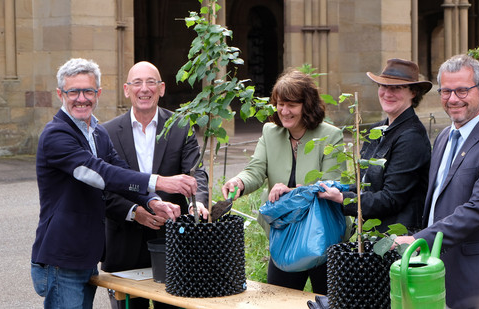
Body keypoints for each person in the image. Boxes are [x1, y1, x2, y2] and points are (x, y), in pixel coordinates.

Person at [30, 58, 200, 309]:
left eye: (88, 91)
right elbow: (100, 175)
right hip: (62, 258)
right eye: (73, 91)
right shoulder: (56, 134)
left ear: (98, 93)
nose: (81, 98)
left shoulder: (96, 132)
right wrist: (160, 181)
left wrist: (153, 201)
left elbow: (120, 170)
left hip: (85, 256)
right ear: (60, 94)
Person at [394, 54, 479, 309]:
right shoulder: (444, 137)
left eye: (462, 90)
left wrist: (420, 239)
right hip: (444, 271)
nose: (453, 99)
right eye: (446, 91)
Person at [221, 69, 345, 294]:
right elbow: (255, 170)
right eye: (280, 104)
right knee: (278, 299)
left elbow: (331, 185)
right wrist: (239, 181)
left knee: (329, 302)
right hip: (284, 236)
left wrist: (290, 191)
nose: (284, 111)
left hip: (324, 237)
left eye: (292, 105)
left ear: (307, 105)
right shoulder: (270, 132)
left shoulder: (331, 135)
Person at [100, 61, 209, 309]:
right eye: (137, 83)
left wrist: (198, 203)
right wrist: (134, 212)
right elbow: (104, 188)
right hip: (124, 244)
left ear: (161, 88)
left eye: (151, 82)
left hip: (172, 242)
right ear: (126, 89)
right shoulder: (106, 133)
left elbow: (196, 173)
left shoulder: (181, 126)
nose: (144, 89)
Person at [318, 58, 431, 233]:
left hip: (398, 240)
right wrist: (331, 188)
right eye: (383, 86)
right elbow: (365, 185)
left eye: (397, 88)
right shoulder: (376, 130)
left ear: (413, 92)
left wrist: (343, 198)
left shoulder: (412, 136)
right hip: (372, 234)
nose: (387, 93)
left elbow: (391, 199)